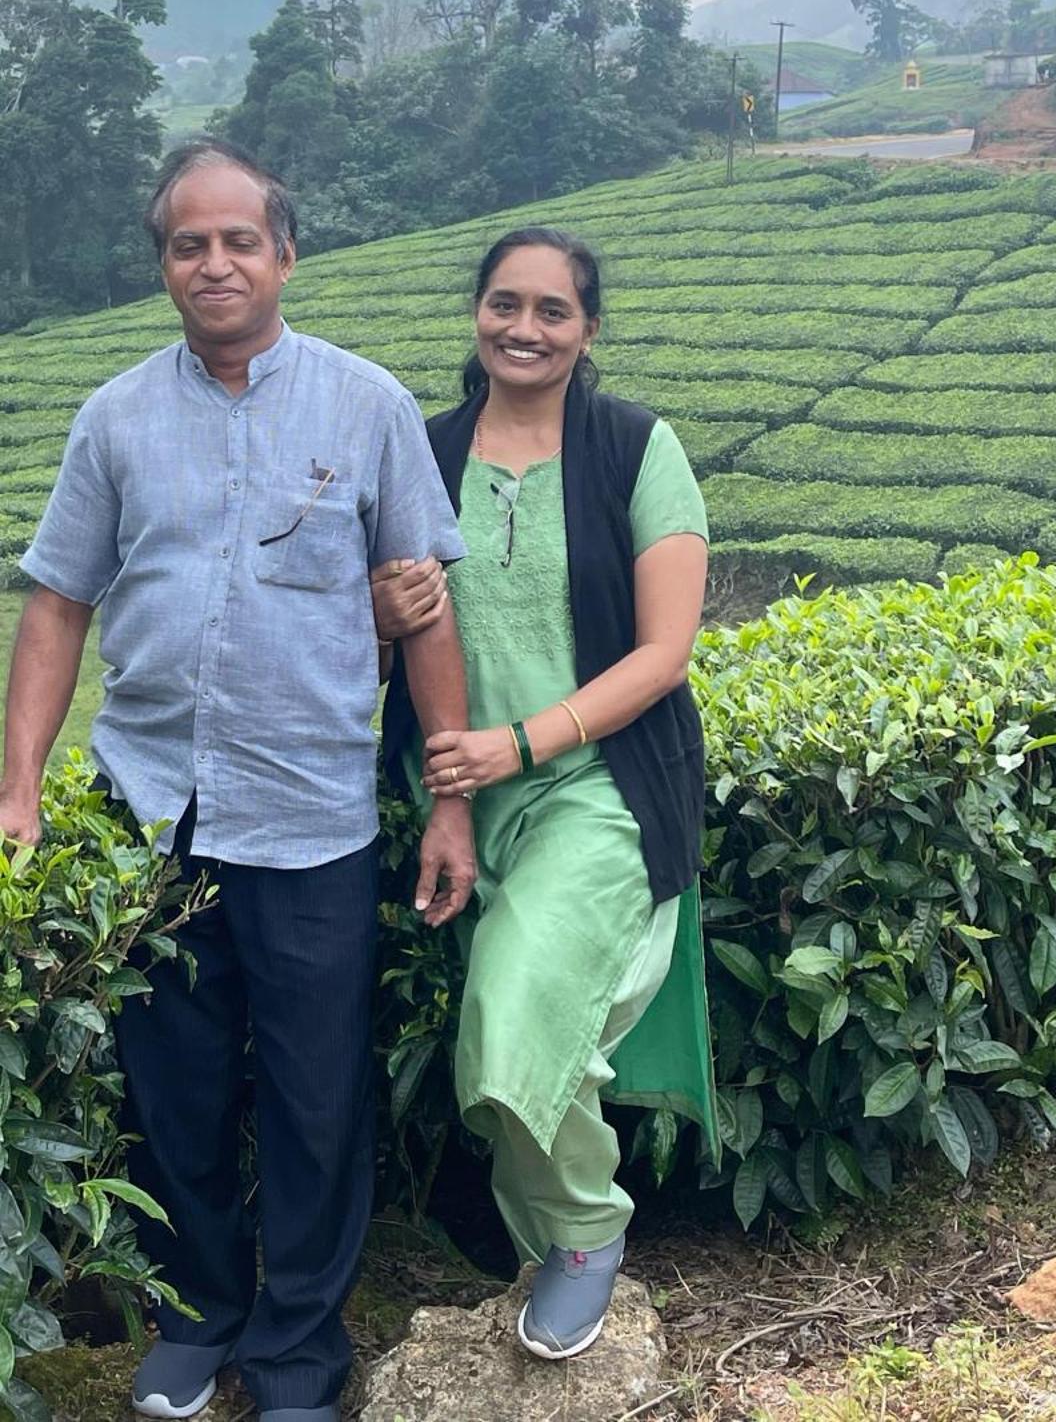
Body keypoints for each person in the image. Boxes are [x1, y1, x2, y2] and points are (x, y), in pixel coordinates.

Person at [0, 141, 475, 1422]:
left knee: (320, 1093)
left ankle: (301, 1348)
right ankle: (195, 1313)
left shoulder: (367, 406)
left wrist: (448, 797)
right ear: (165, 261)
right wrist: (19, 786)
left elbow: (425, 609)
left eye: (238, 240)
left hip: (310, 812)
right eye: (186, 244)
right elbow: (57, 603)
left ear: (286, 253)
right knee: (175, 1080)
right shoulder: (114, 416)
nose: (213, 263)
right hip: (152, 805)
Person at [377, 226, 717, 1363]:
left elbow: (663, 650)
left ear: (589, 328)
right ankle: (548, 1242)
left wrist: (520, 742)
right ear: (475, 312)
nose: (524, 328)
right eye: (503, 304)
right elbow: (398, 640)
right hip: (480, 795)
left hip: (607, 786)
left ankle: (584, 1235)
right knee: (514, 1040)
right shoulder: (421, 452)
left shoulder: (635, 447)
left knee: (516, 1011)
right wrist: (456, 796)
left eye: (552, 310)